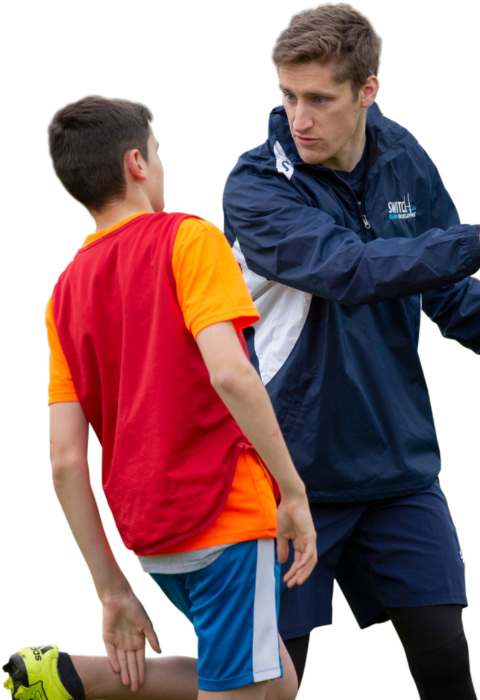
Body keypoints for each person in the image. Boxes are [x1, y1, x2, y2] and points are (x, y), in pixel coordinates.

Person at [218, 4, 480, 699]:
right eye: (287, 96)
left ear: (367, 92)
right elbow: (351, 271)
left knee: (447, 660)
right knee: (270, 685)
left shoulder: (402, 157)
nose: (299, 117)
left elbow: (438, 281)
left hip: (396, 466)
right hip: (285, 477)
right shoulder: (256, 187)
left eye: (319, 99)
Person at [2, 95, 317, 700]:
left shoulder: (62, 292)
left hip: (151, 537)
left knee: (274, 682)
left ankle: (76, 677)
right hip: (225, 516)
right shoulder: (189, 238)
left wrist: (111, 589)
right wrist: (294, 490)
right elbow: (230, 374)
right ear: (137, 164)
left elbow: (65, 460)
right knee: (247, 691)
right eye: (159, 152)